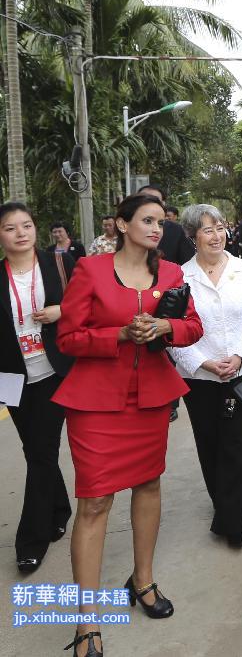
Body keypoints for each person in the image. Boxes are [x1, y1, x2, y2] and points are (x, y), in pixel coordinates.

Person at [53, 194, 203, 657]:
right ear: (121, 224)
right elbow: (68, 337)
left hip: (152, 399)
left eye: (161, 221)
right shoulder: (91, 270)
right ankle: (87, 623)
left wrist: (165, 330)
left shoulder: (174, 274)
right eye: (146, 220)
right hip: (96, 403)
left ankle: (143, 582)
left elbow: (193, 326)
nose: (157, 228)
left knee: (149, 486)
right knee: (95, 502)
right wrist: (117, 334)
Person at [168, 204, 242, 550]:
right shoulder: (179, 277)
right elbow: (174, 333)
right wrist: (204, 362)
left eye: (220, 227)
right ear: (193, 235)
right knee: (209, 443)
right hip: (198, 377)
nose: (217, 235)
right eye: (207, 229)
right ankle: (222, 502)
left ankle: (232, 521)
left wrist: (240, 357)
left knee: (236, 443)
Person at [1, 202, 74, 574]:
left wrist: (62, 311)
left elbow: (86, 302)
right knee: (36, 451)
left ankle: (31, 539)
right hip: (12, 378)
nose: (20, 233)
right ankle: (59, 509)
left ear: (35, 228)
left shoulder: (57, 264)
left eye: (26, 225)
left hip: (53, 370)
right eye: (10, 228)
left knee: (43, 451)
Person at [138, 184, 194, 424]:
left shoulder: (174, 232)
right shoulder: (126, 233)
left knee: (166, 352)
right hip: (134, 303)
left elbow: (188, 264)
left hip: (167, 304)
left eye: (155, 201)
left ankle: (169, 402)